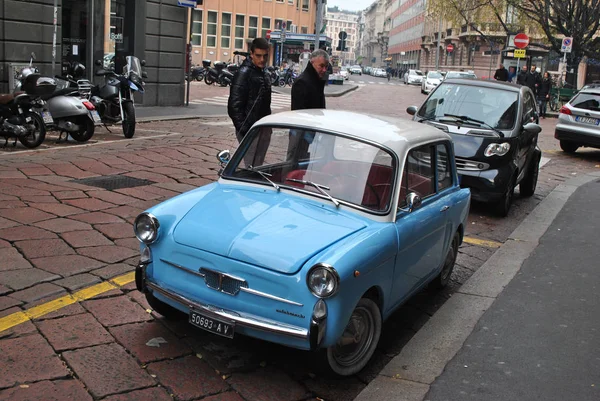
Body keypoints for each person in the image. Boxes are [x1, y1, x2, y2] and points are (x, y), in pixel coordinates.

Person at [227, 37, 272, 144]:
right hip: (250, 130)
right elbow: (234, 106)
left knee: (258, 161)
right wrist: (245, 130)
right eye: (258, 55)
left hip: (263, 127)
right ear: (251, 54)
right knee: (250, 161)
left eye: (265, 56)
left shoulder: (264, 72)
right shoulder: (243, 73)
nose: (262, 59)